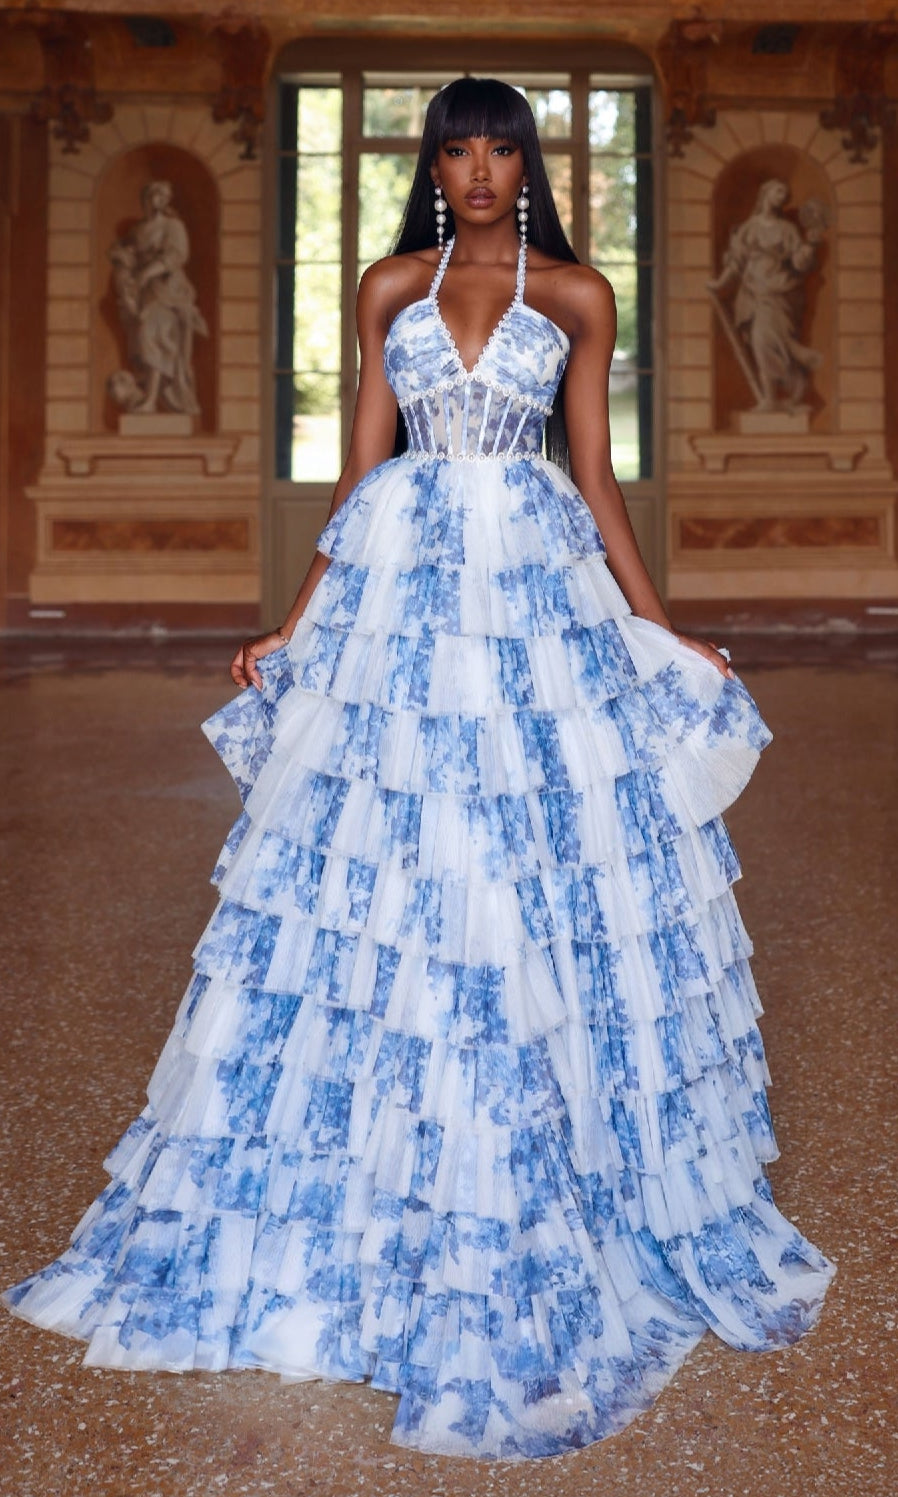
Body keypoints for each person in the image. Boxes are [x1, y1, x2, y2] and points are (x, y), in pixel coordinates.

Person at [5, 79, 833, 1461]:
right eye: (456, 146)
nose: (478, 168)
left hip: (530, 578)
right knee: (374, 853)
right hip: (397, 588)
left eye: (501, 146)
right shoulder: (390, 279)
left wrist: (654, 619)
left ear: (529, 162)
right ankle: (359, 1167)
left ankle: (535, 1130)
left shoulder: (575, 293)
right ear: (431, 161)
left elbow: (593, 471)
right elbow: (360, 466)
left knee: (527, 845)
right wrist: (295, 613)